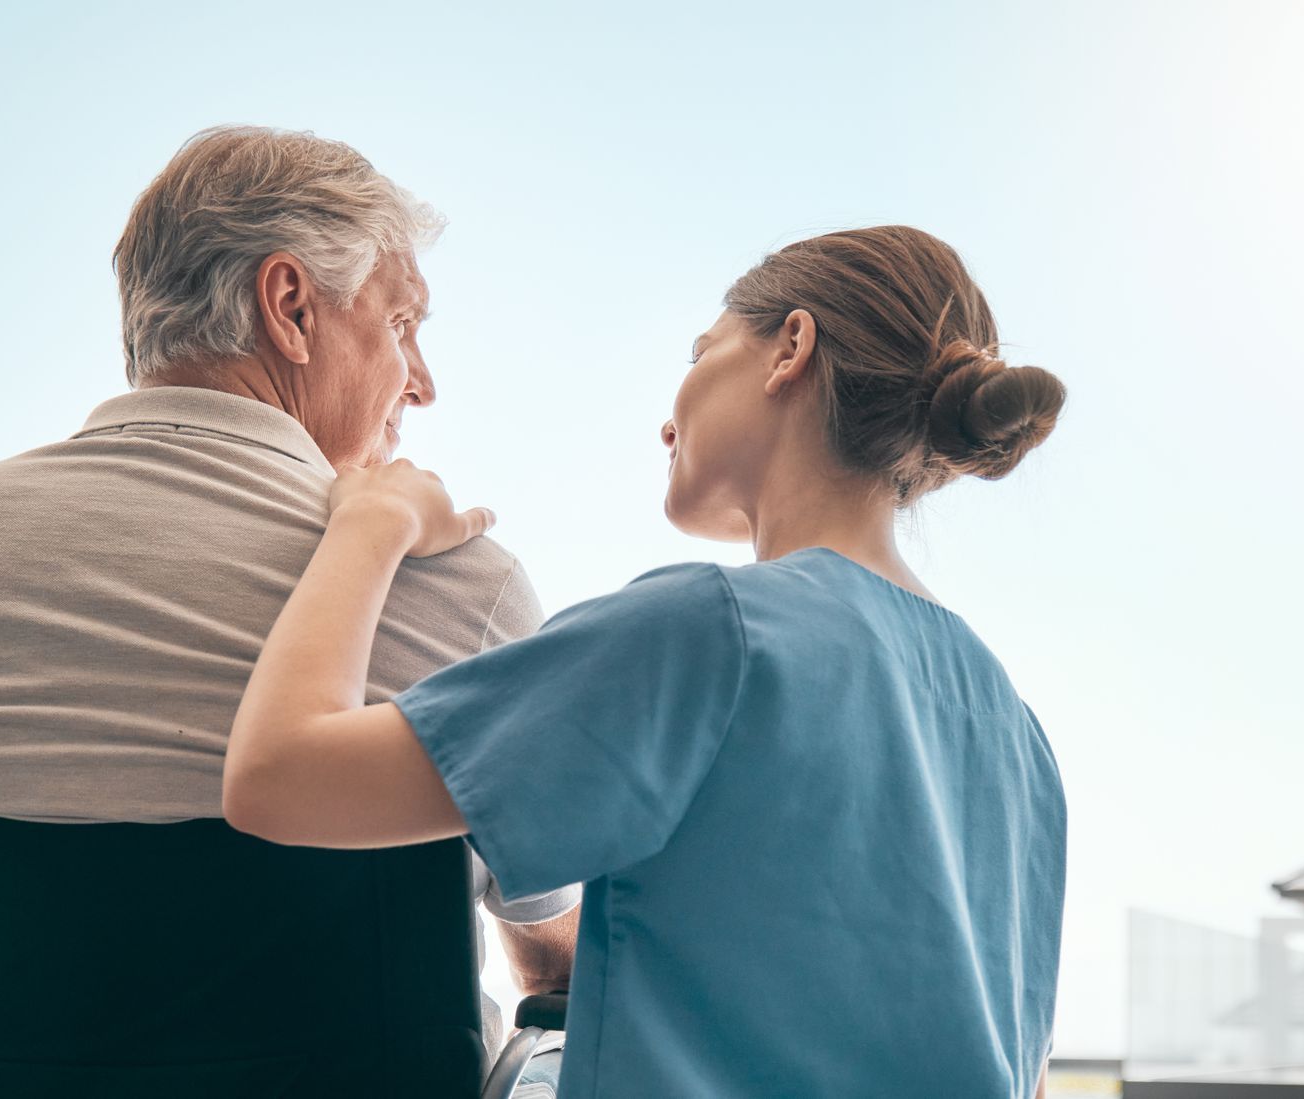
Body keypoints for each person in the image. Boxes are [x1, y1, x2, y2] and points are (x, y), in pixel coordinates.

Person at [223, 225, 1069, 1097]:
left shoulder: (707, 634)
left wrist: (372, 524)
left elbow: (276, 776)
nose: (670, 417)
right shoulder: (1020, 737)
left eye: (702, 352)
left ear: (790, 348)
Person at [0, 125, 577, 1060]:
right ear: (291, 307)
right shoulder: (460, 582)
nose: (420, 383)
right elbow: (552, 960)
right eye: (401, 325)